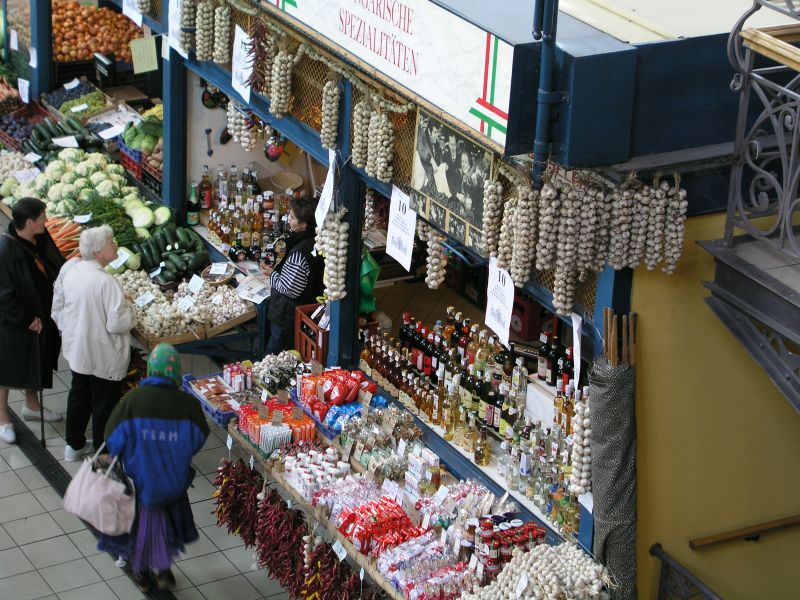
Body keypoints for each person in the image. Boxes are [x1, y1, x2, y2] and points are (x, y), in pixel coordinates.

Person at [98, 343, 209, 592]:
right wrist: (178, 453)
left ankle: (141, 573)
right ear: (176, 372)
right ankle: (164, 572)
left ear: (150, 370)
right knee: (167, 527)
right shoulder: (186, 404)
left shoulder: (133, 400)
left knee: (140, 530)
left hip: (140, 482)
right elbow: (200, 434)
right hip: (172, 484)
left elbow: (112, 437)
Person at [52, 225, 135, 461]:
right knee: (104, 403)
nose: (115, 245)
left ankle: (74, 445)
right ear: (99, 252)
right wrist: (130, 308)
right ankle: (102, 452)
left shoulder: (71, 268)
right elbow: (118, 324)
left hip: (78, 349)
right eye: (111, 242)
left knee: (79, 394)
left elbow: (57, 305)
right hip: (103, 353)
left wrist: (66, 330)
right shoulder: (105, 282)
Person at [0, 198, 65, 444]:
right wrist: (28, 319)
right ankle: (3, 418)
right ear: (29, 222)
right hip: (15, 321)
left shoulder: (39, 237)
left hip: (42, 316)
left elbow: (55, 262)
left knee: (36, 359)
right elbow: (3, 296)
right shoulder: (5, 252)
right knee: (6, 369)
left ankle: (32, 405)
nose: (45, 222)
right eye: (42, 218)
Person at [259, 195, 324, 354]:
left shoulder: (300, 253)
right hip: (301, 314)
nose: (289, 219)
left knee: (276, 356)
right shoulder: (315, 241)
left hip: (287, 318)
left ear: (304, 225)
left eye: (293, 218)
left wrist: (271, 274)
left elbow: (289, 289)